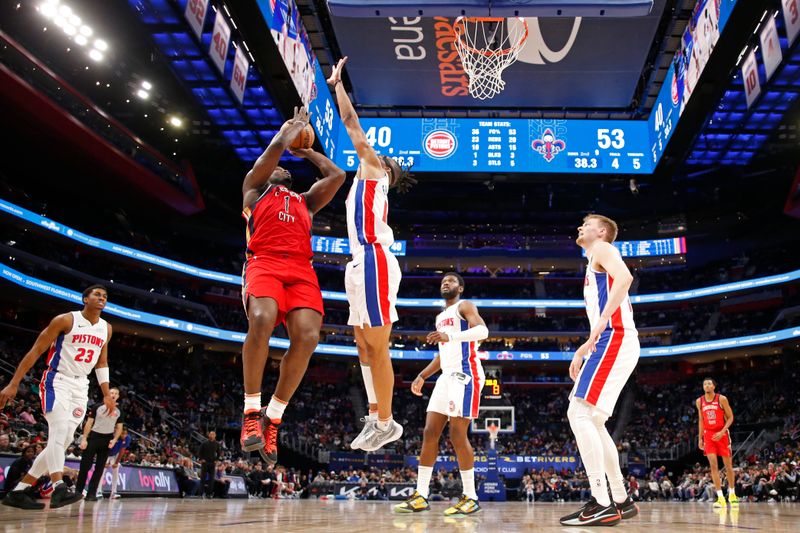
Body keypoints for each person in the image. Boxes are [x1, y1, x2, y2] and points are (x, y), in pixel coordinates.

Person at [239, 106, 346, 465]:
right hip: (264, 262)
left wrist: (307, 150)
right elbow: (265, 164)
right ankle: (251, 412)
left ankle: (274, 416)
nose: (283, 169)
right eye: (279, 166)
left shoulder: (305, 202)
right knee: (262, 317)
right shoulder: (255, 191)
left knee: (308, 337)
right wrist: (284, 137)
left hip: (301, 270)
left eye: (287, 167)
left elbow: (337, 175)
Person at [327, 57, 416, 452]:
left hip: (375, 260)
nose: (372, 151)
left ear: (384, 169)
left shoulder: (374, 171)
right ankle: (377, 415)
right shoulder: (365, 181)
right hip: (358, 263)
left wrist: (337, 86)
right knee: (361, 344)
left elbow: (350, 124)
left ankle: (387, 421)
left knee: (377, 345)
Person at [0, 285, 116, 510]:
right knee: (59, 431)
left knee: (61, 442)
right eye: (97, 294)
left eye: (105, 296)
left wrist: (106, 394)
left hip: (81, 386)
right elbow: (36, 350)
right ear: (85, 299)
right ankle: (58, 487)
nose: (102, 298)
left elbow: (102, 363)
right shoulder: (65, 320)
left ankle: (19, 491)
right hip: (57, 380)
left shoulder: (106, 328)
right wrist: (14, 383)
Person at [560, 216, 639, 526]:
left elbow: (625, 278)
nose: (580, 226)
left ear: (602, 231)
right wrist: (584, 348)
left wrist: (603, 324)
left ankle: (601, 501)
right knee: (593, 419)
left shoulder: (603, 249)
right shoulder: (594, 260)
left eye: (586, 223)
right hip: (612, 339)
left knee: (577, 413)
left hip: (615, 337)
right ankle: (620, 498)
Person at [394, 273, 488, 516]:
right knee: (429, 432)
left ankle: (471, 496)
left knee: (457, 434)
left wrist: (451, 336)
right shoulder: (439, 317)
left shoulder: (464, 306)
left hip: (466, 374)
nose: (446, 282)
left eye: (451, 280)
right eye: (443, 280)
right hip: (446, 376)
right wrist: (423, 375)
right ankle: (421, 496)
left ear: (461, 287)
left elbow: (482, 331)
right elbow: (442, 354)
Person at [696, 377, 738, 507]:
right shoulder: (699, 401)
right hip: (709, 436)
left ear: (714, 386)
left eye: (709, 384)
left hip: (722, 434)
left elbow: (730, 417)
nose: (707, 386)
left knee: (728, 466)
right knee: (713, 466)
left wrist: (722, 431)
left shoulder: (722, 399)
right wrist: (700, 438)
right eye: (705, 384)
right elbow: (701, 420)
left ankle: (732, 493)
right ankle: (720, 497)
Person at [75, 387, 123, 500]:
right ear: (107, 394)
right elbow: (89, 423)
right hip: (93, 437)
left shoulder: (119, 410)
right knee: (85, 466)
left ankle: (92, 493)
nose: (114, 395)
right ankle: (78, 491)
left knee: (100, 468)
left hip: (106, 440)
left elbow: (119, 427)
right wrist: (84, 439)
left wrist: (114, 439)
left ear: (118, 396)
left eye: (116, 393)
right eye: (111, 392)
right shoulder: (97, 406)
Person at [101, 427, 131, 499]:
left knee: (116, 471)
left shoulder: (127, 438)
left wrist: (116, 462)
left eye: (125, 434)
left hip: (115, 454)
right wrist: (105, 461)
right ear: (119, 432)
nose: (124, 435)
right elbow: (105, 448)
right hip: (105, 453)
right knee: (102, 472)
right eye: (123, 433)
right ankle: (98, 491)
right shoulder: (112, 436)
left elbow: (122, 450)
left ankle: (113, 493)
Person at [199, 431, 221, 498]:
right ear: (209, 435)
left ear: (215, 436)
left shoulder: (217, 444)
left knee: (211, 479)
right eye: (211, 434)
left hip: (212, 463)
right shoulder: (204, 443)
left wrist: (216, 460)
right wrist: (201, 459)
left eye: (213, 434)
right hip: (205, 463)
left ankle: (209, 494)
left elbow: (219, 453)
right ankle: (201, 494)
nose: (212, 435)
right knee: (203, 478)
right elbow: (199, 452)